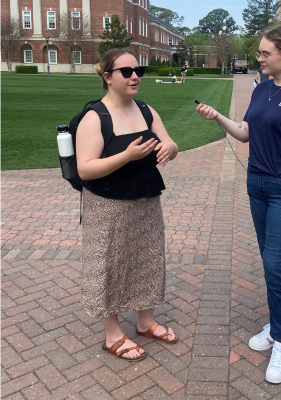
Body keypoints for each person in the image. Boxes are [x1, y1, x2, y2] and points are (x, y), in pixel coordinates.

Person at [195, 25, 281, 384]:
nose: (260, 58)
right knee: (271, 264)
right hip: (257, 186)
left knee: (275, 263)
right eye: (260, 53)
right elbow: (245, 133)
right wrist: (218, 117)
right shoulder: (262, 89)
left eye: (266, 53)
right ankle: (279, 325)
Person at [75, 48, 181, 362]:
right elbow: (85, 168)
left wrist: (169, 149)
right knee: (108, 265)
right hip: (107, 204)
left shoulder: (146, 110)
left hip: (146, 200)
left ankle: (146, 322)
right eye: (126, 71)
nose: (135, 76)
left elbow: (170, 143)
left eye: (138, 71)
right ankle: (113, 335)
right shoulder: (94, 117)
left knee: (146, 259)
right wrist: (127, 156)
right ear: (107, 77)